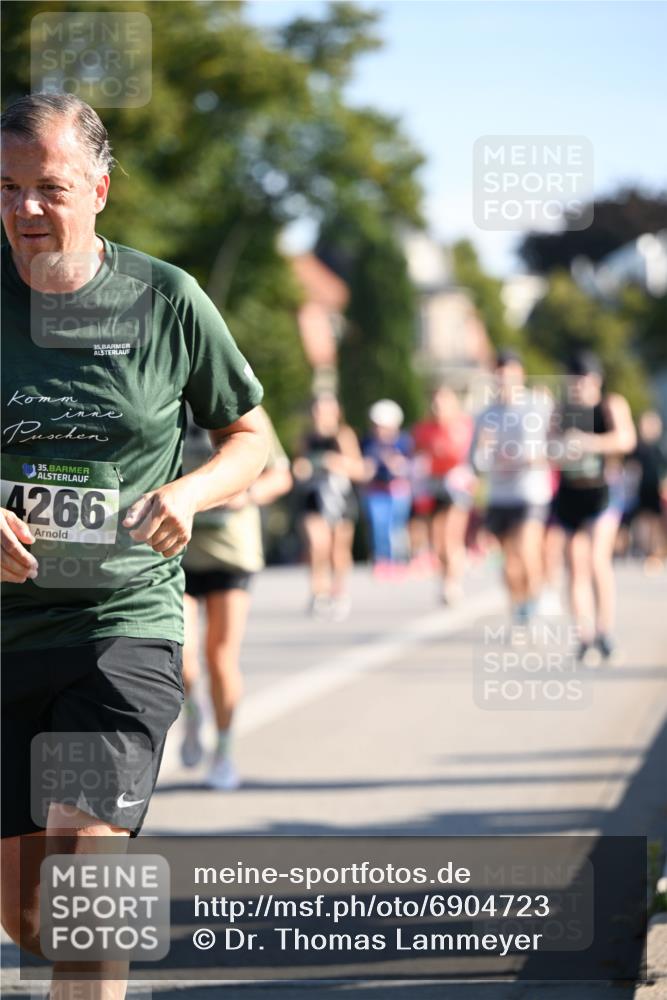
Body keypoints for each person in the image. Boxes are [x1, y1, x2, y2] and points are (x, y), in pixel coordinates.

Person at [0, 94, 268, 1000]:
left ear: (101, 189)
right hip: (5, 635)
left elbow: (251, 435)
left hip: (120, 624)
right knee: (31, 918)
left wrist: (189, 493)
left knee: (88, 886)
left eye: (50, 187)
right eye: (7, 187)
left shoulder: (166, 299)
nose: (26, 208)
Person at [179, 406, 292, 787]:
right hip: (177, 549)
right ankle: (194, 715)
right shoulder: (164, 401)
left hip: (231, 551)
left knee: (219, 656)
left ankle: (224, 752)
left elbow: (281, 474)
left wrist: (248, 495)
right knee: (180, 654)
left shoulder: (236, 404)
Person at [552, 351, 636, 664]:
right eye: (572, 381)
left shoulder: (610, 405)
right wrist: (560, 449)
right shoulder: (561, 411)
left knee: (598, 559)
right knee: (575, 564)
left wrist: (589, 442)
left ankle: (605, 631)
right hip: (570, 494)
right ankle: (583, 636)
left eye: (583, 380)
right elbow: (547, 446)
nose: (577, 387)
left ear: (595, 381)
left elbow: (626, 439)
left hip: (601, 494)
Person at [470, 350, 553, 623]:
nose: (504, 379)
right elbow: (477, 462)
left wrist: (533, 456)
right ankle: (519, 608)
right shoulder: (485, 415)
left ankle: (535, 597)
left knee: (527, 552)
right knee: (509, 562)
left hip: (530, 493)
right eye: (499, 374)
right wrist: (485, 450)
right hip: (499, 495)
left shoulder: (537, 405)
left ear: (521, 376)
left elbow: (553, 445)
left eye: (509, 374)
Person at [292, 393, 365, 619]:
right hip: (314, 496)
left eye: (325, 410)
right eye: (316, 410)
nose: (319, 415)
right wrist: (302, 468)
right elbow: (297, 467)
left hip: (339, 496)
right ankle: (318, 592)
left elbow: (358, 469)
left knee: (338, 549)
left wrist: (334, 463)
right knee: (317, 544)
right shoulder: (306, 438)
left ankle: (339, 592)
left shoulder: (343, 435)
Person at [410, 386, 475, 604]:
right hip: (434, 484)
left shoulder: (464, 426)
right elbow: (417, 454)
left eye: (444, 402)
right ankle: (446, 575)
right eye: (436, 403)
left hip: (457, 484)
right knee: (437, 540)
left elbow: (472, 455)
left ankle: (452, 582)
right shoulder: (424, 429)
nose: (439, 408)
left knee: (450, 535)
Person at [361, 399, 414, 578]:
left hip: (398, 490)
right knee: (379, 527)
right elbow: (365, 467)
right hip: (376, 490)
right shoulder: (368, 443)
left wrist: (397, 465)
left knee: (397, 527)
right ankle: (382, 559)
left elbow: (412, 466)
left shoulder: (403, 442)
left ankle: (398, 560)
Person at [628, 409, 667, 573]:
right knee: (643, 522)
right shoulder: (636, 447)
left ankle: (656, 554)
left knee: (657, 524)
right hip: (640, 489)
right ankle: (646, 551)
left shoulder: (660, 448)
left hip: (656, 490)